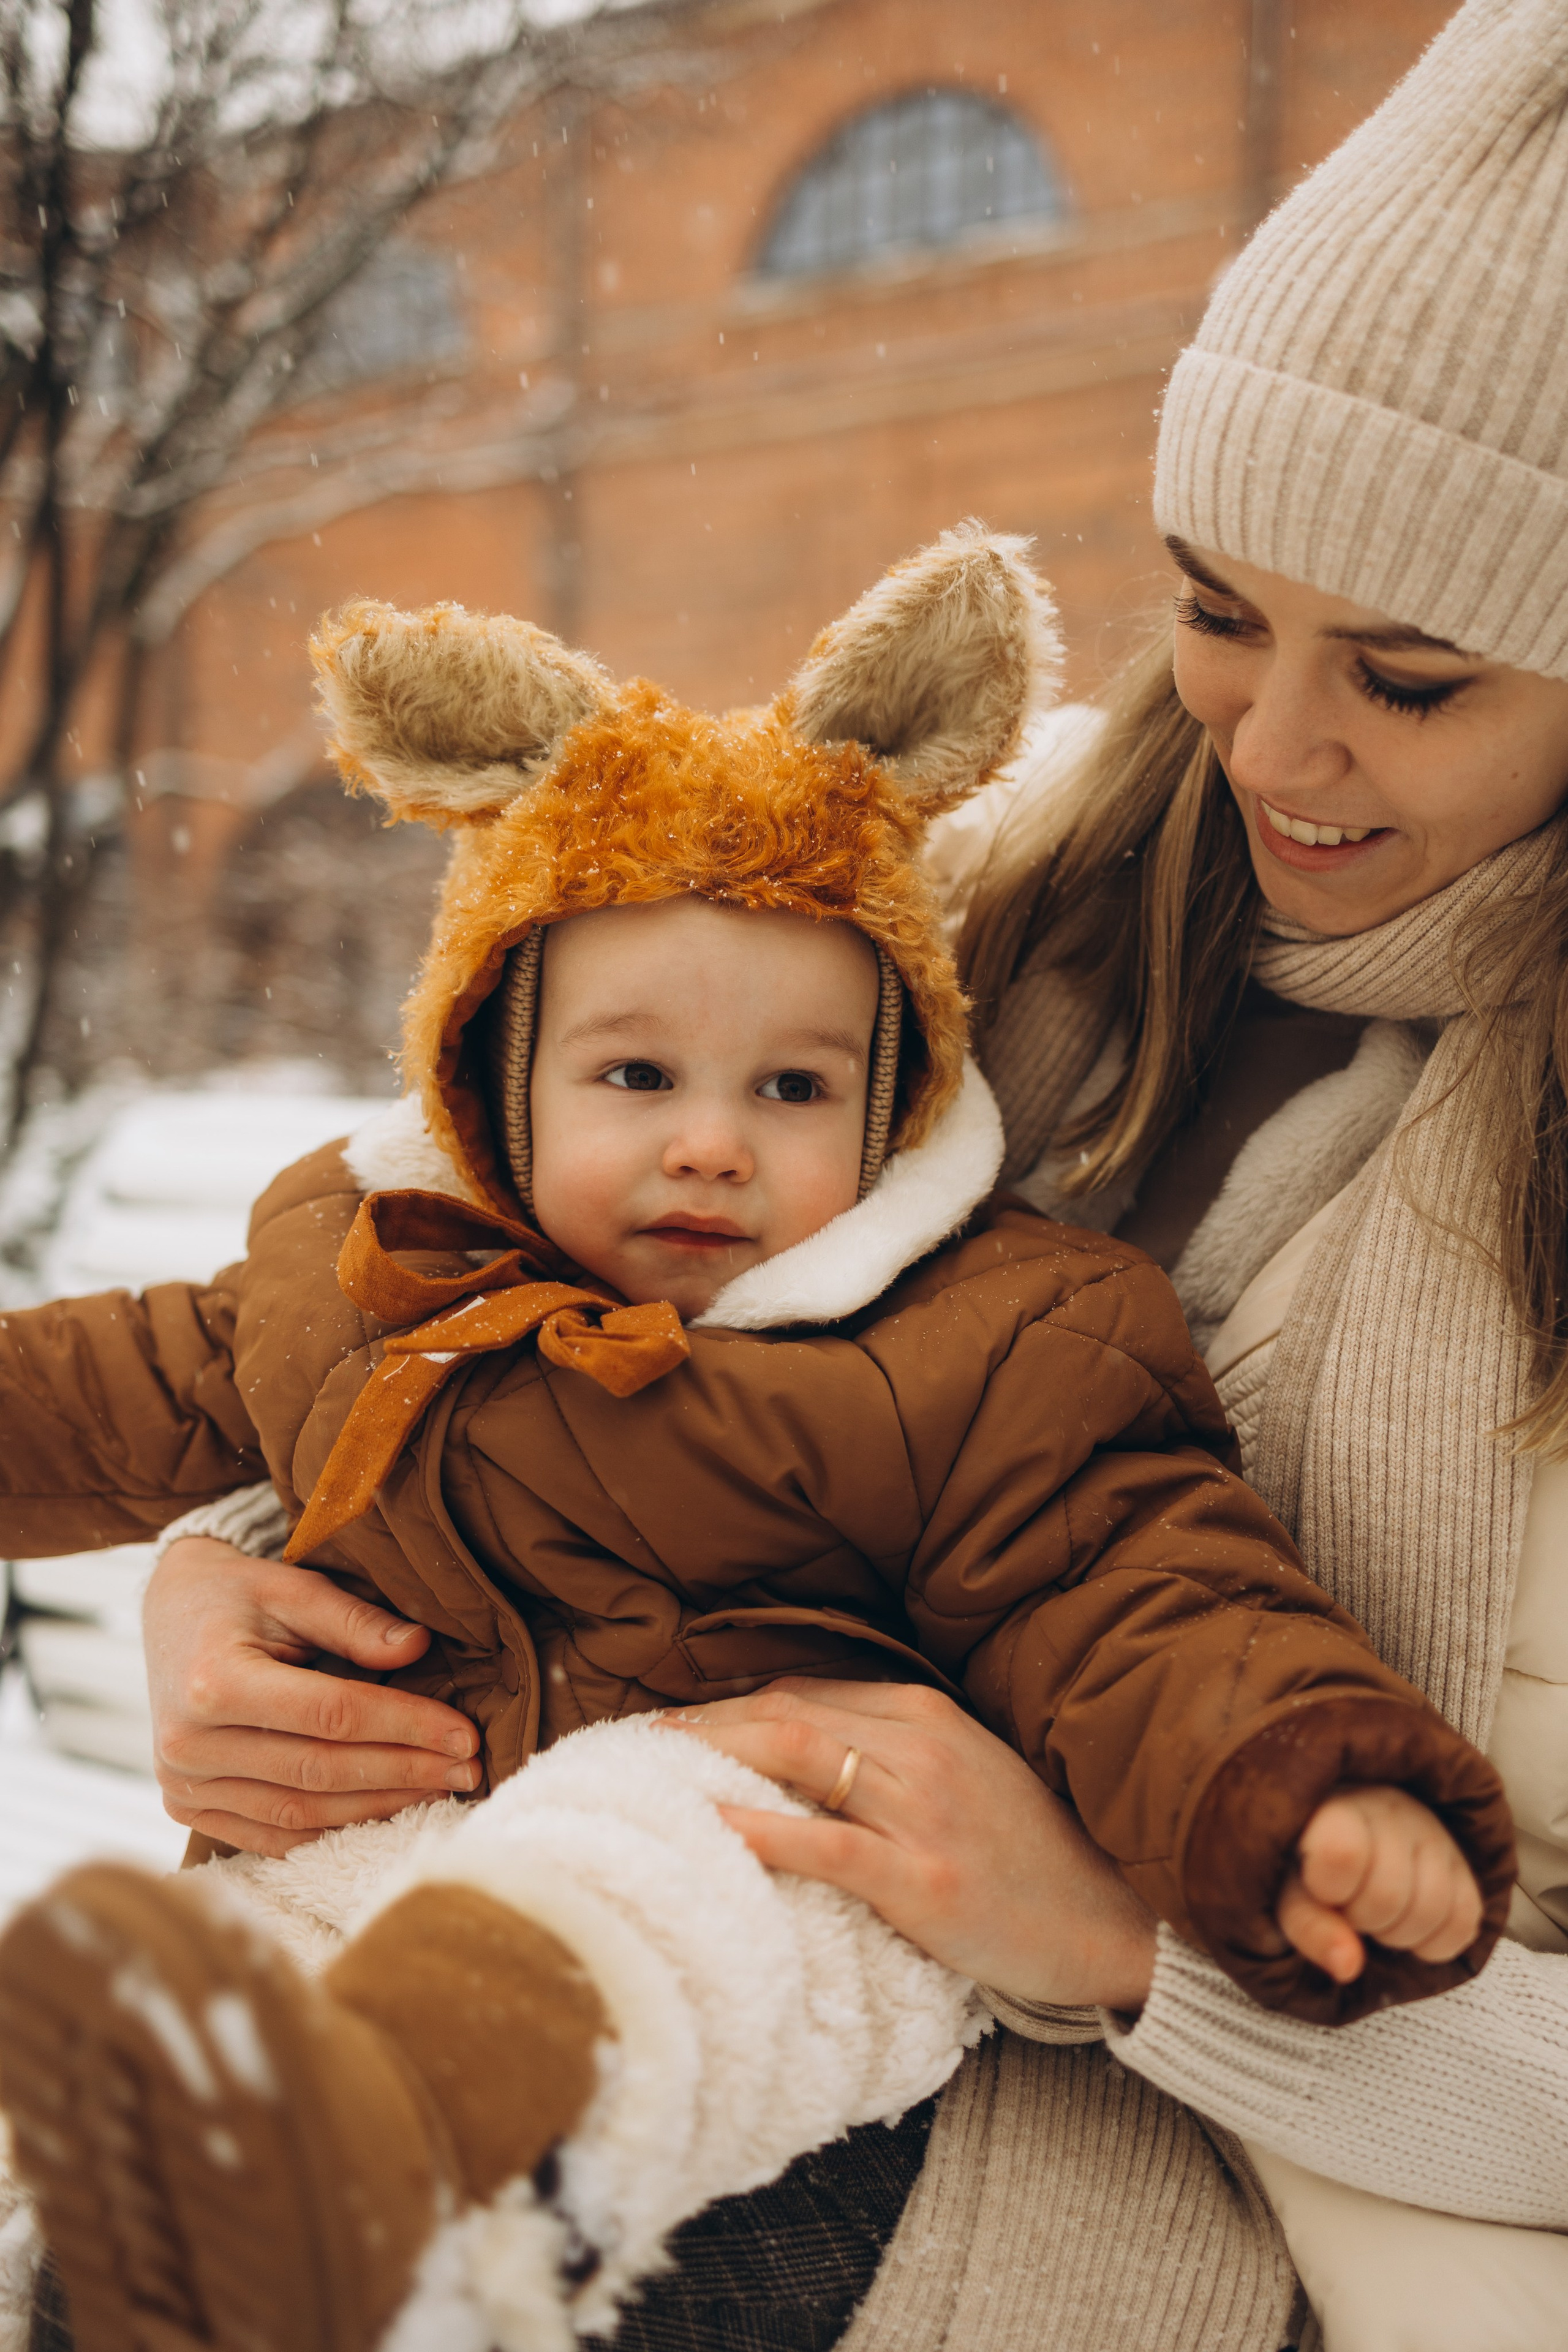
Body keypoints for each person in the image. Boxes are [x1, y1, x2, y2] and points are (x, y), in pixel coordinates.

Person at [12, 1, 1568, 2345]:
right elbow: (486, 1273)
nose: (1273, 745)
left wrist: (1120, 1942)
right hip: (600, 1885)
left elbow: (1110, 1554)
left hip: (1224, 2179)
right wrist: (239, 1584)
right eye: (1217, 611)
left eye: (1414, 678)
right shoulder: (947, 913)